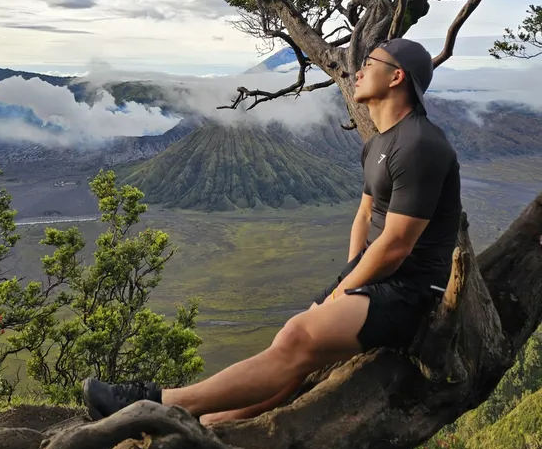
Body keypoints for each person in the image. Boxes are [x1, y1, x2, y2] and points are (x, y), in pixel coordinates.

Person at [82, 38, 462, 425]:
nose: (356, 70)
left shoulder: (420, 144)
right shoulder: (379, 143)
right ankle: (211, 425)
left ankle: (156, 403)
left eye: (369, 62)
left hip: (413, 293)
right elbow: (365, 213)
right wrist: (349, 278)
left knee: (298, 335)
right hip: (375, 278)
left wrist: (344, 292)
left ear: (397, 76)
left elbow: (397, 245)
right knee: (296, 349)